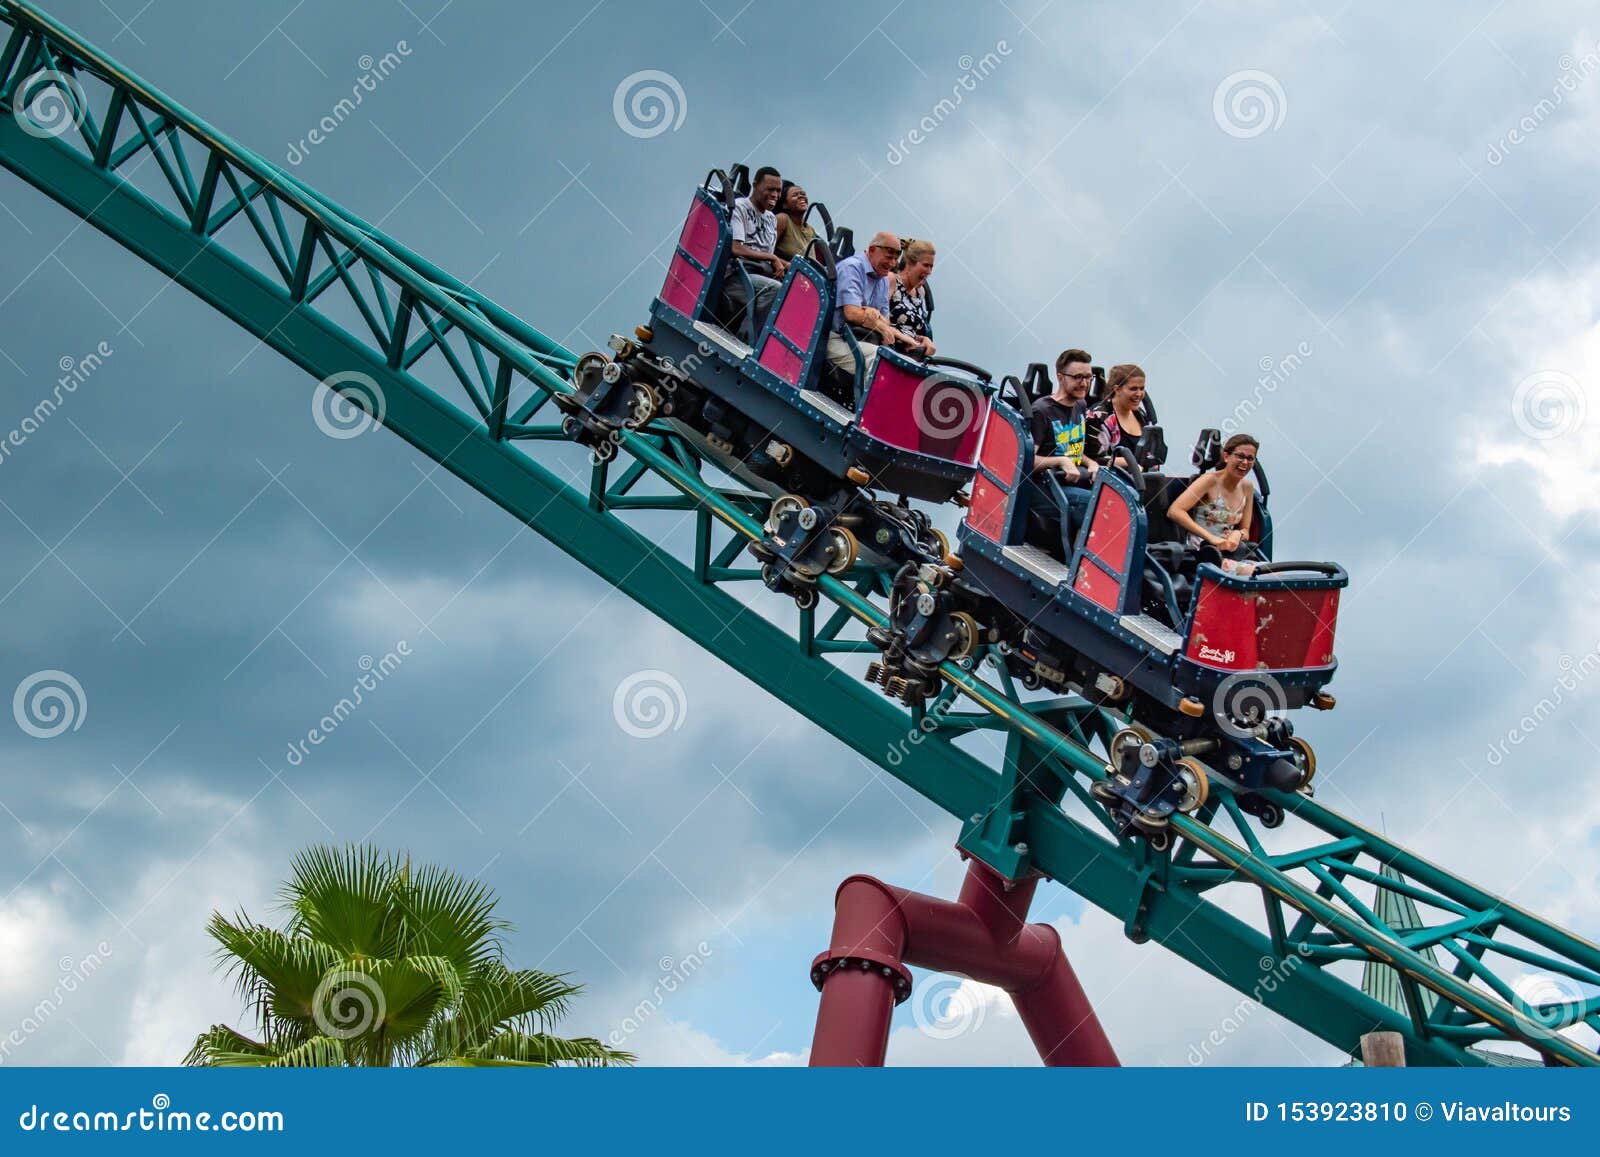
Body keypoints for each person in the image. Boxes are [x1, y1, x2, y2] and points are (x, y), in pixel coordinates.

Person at [826, 231, 929, 382]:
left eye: (895, 259)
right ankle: (866, 405)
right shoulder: (852, 268)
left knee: (905, 364)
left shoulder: (883, 279)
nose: (893, 264)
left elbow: (885, 320)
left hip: (858, 340)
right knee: (882, 362)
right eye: (889, 257)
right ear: (872, 250)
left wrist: (874, 317)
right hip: (834, 339)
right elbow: (852, 313)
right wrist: (874, 321)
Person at [1027, 348, 1100, 557]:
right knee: (1095, 506)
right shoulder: (1041, 411)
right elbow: (1026, 459)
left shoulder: (1080, 405)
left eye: (1088, 377)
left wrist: (1090, 463)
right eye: (1078, 377)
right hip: (1044, 488)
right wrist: (1060, 461)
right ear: (1060, 377)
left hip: (1072, 483)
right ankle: (1079, 570)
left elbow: (1070, 448)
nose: (1084, 383)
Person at [1167, 433, 1261, 575]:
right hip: (1203, 553)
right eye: (1240, 456)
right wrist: (1212, 538)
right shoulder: (1209, 481)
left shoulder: (1247, 487)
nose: (1245, 462)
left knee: (1275, 573)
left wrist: (1238, 534)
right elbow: (1175, 511)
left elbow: (1246, 530)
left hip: (1231, 553)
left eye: (1250, 459)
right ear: (1227, 456)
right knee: (1256, 574)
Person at [724, 165, 786, 335]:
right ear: (755, 185)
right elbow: (736, 248)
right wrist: (773, 258)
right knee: (775, 290)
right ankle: (750, 342)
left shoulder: (771, 219)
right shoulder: (740, 207)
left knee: (792, 292)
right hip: (737, 275)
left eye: (778, 191)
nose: (775, 195)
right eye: (770, 189)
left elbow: (768, 256)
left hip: (760, 273)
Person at [1087, 362, 1159, 470]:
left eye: (1142, 388)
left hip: (1143, 479)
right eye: (1133, 389)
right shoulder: (1099, 417)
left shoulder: (1141, 414)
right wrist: (1130, 463)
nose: (1139, 394)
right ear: (1117, 389)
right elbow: (1094, 459)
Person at [888, 238, 937, 355]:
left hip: (911, 352)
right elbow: (878, 320)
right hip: (889, 348)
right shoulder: (891, 280)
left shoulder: (920, 292)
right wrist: (904, 338)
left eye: (931, 267)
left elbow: (909, 330)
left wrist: (924, 340)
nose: (929, 271)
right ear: (909, 264)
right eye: (926, 265)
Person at [773, 181, 818, 262]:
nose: (801, 196)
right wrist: (788, 266)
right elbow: (766, 251)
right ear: (784, 204)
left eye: (803, 194)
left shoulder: (810, 230)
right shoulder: (782, 219)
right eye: (795, 195)